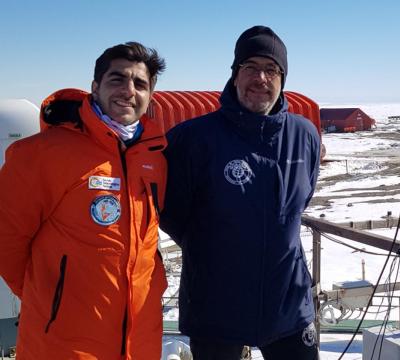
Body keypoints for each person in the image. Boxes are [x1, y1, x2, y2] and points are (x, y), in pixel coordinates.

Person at [161, 25, 321, 360]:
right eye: (250, 67)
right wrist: (219, 254)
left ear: (283, 79)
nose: (260, 78)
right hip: (216, 306)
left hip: (288, 304)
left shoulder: (304, 135)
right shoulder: (193, 139)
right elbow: (173, 215)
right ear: (235, 75)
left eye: (271, 69)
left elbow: (297, 204)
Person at [0, 42, 167, 359]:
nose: (128, 91)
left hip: (139, 340)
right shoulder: (43, 154)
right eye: (117, 79)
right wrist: (52, 301)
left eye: (140, 84)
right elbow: (6, 240)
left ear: (150, 96)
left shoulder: (154, 156)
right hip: (65, 343)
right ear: (95, 87)